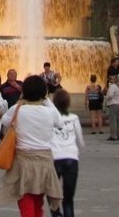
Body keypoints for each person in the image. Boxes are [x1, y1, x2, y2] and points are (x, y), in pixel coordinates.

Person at [0, 75, 64, 217]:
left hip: (23, 161)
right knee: (38, 201)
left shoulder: (17, 109)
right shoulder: (50, 112)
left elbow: (5, 121)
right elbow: (60, 122)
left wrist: (21, 101)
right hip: (44, 161)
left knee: (25, 200)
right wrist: (46, 100)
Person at [50, 88, 84, 217]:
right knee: (68, 199)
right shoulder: (74, 118)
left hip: (54, 157)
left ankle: (56, 214)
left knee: (52, 195)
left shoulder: (50, 119)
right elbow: (80, 141)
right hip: (71, 157)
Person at [103, 73, 119, 140]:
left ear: (114, 80)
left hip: (113, 104)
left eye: (112, 79)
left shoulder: (112, 86)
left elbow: (110, 95)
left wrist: (106, 97)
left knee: (113, 120)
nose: (111, 80)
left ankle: (113, 135)